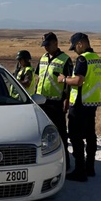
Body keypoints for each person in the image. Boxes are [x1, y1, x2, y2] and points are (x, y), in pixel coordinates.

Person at [58, 32, 101, 181]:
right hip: (92, 102)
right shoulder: (96, 58)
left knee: (76, 137)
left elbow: (78, 80)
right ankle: (90, 167)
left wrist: (64, 79)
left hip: (80, 103)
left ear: (80, 44)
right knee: (90, 136)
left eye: (75, 47)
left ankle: (79, 171)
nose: (75, 51)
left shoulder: (83, 59)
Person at [34, 32, 73, 169]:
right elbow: (38, 78)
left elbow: (69, 83)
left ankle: (65, 163)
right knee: (40, 133)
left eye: (48, 45)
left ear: (56, 43)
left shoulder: (65, 59)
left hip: (56, 102)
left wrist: (66, 100)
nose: (45, 48)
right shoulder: (43, 58)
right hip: (41, 101)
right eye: (44, 45)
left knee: (61, 133)